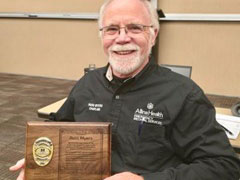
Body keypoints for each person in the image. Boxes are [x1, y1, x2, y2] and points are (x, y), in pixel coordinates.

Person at [10, 0, 240, 179]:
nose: (122, 38)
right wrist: (38, 160)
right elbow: (59, 130)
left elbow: (224, 167)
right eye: (111, 29)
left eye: (134, 27)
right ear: (101, 35)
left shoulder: (184, 95)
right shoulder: (87, 85)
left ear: (153, 35)